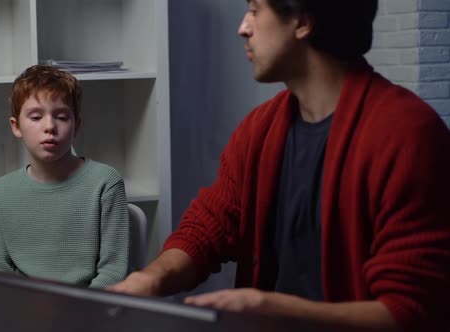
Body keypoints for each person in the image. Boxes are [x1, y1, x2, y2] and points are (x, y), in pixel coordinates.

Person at [108, 0, 450, 330]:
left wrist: (269, 310)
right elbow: (208, 227)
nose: (243, 27)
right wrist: (150, 279)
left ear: (302, 21)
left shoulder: (407, 135)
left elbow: (410, 314)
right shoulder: (260, 129)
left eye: (255, 9)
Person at [0, 65, 130, 288]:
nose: (49, 126)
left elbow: (113, 271)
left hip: (87, 308)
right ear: (16, 126)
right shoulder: (0, 192)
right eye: (36, 117)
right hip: (23, 310)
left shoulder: (106, 183)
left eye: (61, 116)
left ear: (76, 125)